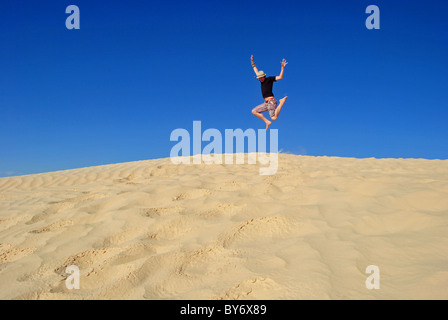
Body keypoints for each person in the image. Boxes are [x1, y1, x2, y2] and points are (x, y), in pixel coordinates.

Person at [250, 55, 288, 130]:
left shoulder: (269, 79)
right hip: (266, 103)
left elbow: (280, 77)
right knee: (254, 111)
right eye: (259, 78)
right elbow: (256, 71)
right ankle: (267, 122)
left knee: (274, 118)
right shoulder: (261, 81)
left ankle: (281, 102)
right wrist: (252, 62)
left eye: (261, 78)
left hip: (271, 101)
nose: (260, 79)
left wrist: (282, 67)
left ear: (264, 76)